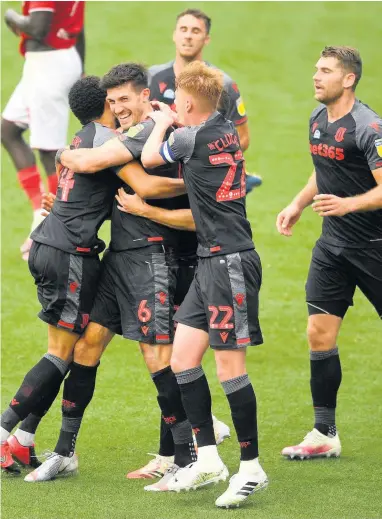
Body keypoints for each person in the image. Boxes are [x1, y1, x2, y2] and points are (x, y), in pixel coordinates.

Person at [23, 63, 202, 484]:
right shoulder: (133, 133)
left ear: (145, 96)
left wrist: (65, 155)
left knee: (158, 358)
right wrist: (63, 208)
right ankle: (65, 452)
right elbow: (99, 184)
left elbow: (148, 183)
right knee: (86, 347)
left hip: (151, 260)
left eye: (125, 99)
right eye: (113, 101)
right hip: (117, 259)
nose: (119, 108)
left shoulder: (161, 132)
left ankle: (187, 458)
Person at [139, 61, 268, 508]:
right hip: (211, 259)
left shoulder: (189, 137)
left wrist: (159, 122)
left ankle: (251, 467)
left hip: (229, 263)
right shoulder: (225, 128)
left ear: (187, 103)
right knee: (182, 359)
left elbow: (150, 158)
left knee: (231, 368)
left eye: (177, 99)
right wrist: (175, 117)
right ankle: (209, 459)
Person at [276, 46, 382, 460]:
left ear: (349, 78)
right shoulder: (318, 120)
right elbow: (322, 171)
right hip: (332, 247)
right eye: (316, 69)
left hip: (373, 248)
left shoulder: (369, 127)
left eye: (325, 71)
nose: (316, 77)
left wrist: (348, 204)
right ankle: (324, 432)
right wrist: (297, 204)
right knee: (319, 334)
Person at [1, 1, 85, 260]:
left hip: (49, 65)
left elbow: (37, 27)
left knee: (50, 152)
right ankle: (40, 210)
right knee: (8, 130)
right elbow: (78, 27)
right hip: (53, 60)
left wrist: (10, 16)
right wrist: (79, 64)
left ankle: (56, 228)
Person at [148, 8, 262, 196]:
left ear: (206, 39)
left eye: (195, 31)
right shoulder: (151, 77)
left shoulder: (223, 84)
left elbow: (243, 138)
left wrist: (208, 161)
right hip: (159, 173)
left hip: (200, 178)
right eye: (183, 29)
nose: (188, 36)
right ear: (174, 35)